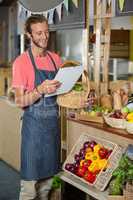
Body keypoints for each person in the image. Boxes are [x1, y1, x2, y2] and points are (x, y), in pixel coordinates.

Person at [12, 14, 62, 200]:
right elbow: (19, 101)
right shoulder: (21, 63)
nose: (44, 37)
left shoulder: (55, 60)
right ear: (29, 35)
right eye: (39, 33)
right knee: (30, 189)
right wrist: (40, 89)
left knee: (48, 187)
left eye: (46, 32)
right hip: (33, 131)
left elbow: (64, 92)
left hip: (52, 129)